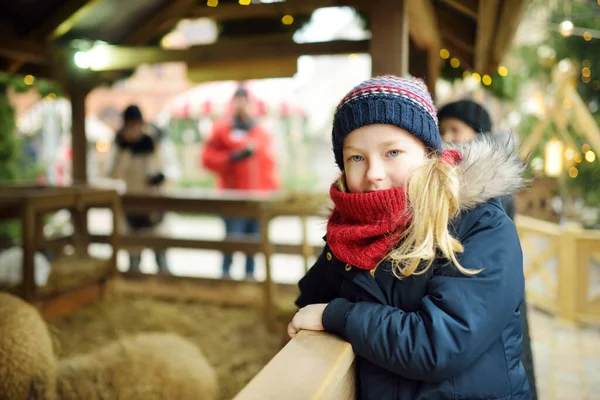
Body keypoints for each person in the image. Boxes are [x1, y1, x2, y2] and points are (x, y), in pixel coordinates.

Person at [288, 76, 532, 399]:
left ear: (428, 152)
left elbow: (441, 342)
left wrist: (338, 315)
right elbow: (309, 300)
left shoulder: (479, 225)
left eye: (392, 152)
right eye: (356, 158)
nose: (373, 172)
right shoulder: (351, 231)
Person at [438, 98, 537, 398]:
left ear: (478, 133)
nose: (449, 137)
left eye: (456, 129)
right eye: (443, 130)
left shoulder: (488, 181)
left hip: (489, 279)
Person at [201, 86, 279, 280]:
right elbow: (207, 159)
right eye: (238, 100)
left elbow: (270, 166)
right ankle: (225, 281)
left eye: (245, 101)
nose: (242, 105)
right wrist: (231, 158)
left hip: (257, 200)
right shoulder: (222, 131)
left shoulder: (260, 132)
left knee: (253, 247)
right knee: (232, 243)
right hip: (233, 200)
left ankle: (249, 283)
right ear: (233, 103)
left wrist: (273, 194)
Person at [107, 105, 181, 275]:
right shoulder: (120, 145)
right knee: (134, 259)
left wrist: (161, 177)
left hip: (155, 208)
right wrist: (126, 150)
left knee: (161, 258)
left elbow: (173, 168)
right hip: (132, 208)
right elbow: (112, 174)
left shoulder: (155, 140)